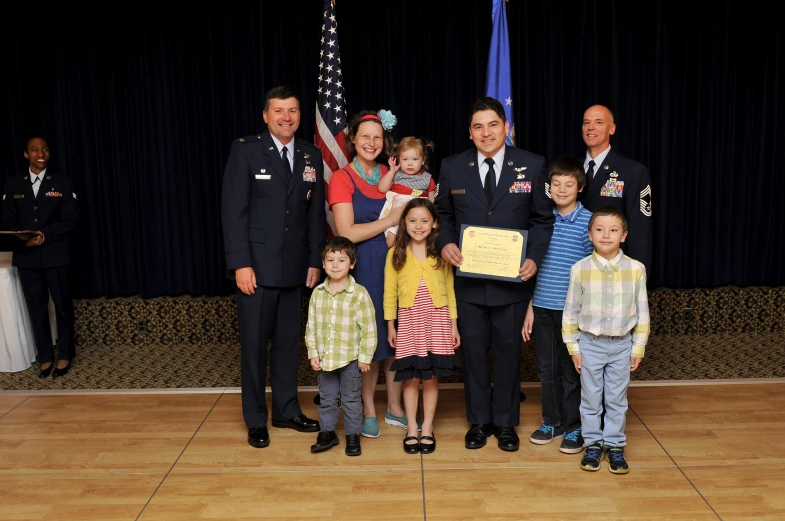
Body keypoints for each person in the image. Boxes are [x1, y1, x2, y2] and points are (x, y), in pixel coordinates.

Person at [434, 97, 554, 452]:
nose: (486, 133)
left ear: (506, 128)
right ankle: (479, 421)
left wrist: (533, 257)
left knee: (507, 353)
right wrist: (444, 244)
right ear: (469, 133)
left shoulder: (532, 165)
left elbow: (542, 219)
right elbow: (443, 216)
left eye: (493, 125)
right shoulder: (453, 167)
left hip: (513, 281)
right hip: (469, 282)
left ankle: (505, 423)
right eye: (478, 126)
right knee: (472, 354)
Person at [221, 85, 324, 449]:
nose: (286, 117)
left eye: (293, 111)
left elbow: (315, 216)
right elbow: (233, 213)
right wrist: (241, 264)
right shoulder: (247, 151)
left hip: (296, 268)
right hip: (256, 271)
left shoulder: (311, 156)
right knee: (253, 347)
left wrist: (315, 261)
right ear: (266, 115)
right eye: (279, 111)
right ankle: (255, 418)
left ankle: (285, 410)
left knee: (287, 344)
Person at [328, 109, 409, 438]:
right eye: (365, 137)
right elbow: (346, 233)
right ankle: (368, 409)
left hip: (400, 265)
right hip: (362, 267)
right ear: (353, 140)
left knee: (397, 338)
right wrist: (390, 221)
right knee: (369, 341)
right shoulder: (341, 179)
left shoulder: (396, 175)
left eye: (378, 137)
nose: (372, 142)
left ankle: (395, 406)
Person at [562, 206, 650, 474]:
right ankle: (592, 444)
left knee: (616, 398)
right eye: (599, 229)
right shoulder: (580, 269)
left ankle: (614, 446)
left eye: (613, 230)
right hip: (590, 344)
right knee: (590, 397)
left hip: (622, 345)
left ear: (624, 235)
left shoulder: (636, 269)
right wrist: (573, 347)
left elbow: (642, 310)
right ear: (590, 235)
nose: (606, 235)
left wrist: (639, 347)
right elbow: (571, 311)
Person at [521, 157, 594, 454]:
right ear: (548, 187)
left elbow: (594, 270)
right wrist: (529, 308)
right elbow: (530, 270)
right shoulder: (541, 219)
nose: (562, 189)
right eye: (556, 184)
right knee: (546, 368)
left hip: (574, 312)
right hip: (542, 307)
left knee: (572, 371)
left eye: (569, 184)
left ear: (580, 187)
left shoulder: (590, 222)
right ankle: (552, 421)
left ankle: (575, 426)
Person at [384, 198, 460, 454]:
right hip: (409, 320)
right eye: (412, 220)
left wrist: (453, 325)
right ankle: (412, 429)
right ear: (404, 223)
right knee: (411, 378)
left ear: (434, 223)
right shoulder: (396, 252)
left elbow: (450, 289)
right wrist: (391, 325)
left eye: (424, 220)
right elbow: (389, 292)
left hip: (438, 320)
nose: (418, 226)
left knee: (431, 378)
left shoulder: (441, 252)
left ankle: (427, 427)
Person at [2, 136, 78, 378]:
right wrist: (22, 236)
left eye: (44, 149)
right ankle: (46, 356)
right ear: (26, 154)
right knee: (37, 308)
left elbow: (71, 218)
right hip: (27, 256)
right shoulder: (13, 183)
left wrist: (46, 234)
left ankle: (65, 354)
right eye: (34, 150)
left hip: (56, 254)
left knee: (63, 307)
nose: (40, 153)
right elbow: (8, 218)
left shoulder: (62, 182)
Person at [306, 237, 376, 456]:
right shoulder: (317, 294)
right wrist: (313, 353)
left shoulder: (359, 294)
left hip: (350, 359)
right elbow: (311, 326)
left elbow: (369, 329)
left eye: (341, 260)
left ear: (352, 263)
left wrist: (365, 357)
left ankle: (352, 434)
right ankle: (327, 432)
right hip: (326, 359)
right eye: (330, 260)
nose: (335, 265)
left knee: (351, 399)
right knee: (326, 398)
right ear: (324, 264)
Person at [580, 104, 652, 275]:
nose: (591, 127)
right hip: (574, 267)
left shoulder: (632, 171)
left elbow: (640, 230)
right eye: (586, 122)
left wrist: (637, 276)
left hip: (614, 269)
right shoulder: (569, 170)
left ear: (611, 129)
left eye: (598, 122)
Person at [377, 136, 437, 247]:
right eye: (405, 159)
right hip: (396, 214)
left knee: (418, 243)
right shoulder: (396, 174)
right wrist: (391, 171)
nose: (410, 163)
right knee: (391, 240)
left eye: (414, 159)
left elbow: (432, 200)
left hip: (417, 216)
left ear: (423, 160)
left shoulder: (428, 178)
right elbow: (382, 188)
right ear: (399, 159)